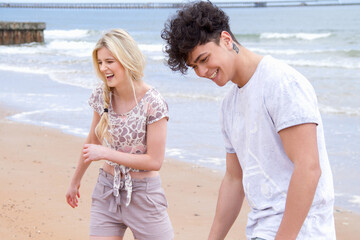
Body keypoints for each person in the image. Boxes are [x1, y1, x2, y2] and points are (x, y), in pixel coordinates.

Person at [161, 2, 335, 240]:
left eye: (204, 59)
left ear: (226, 39)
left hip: (303, 231)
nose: (201, 72)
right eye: (194, 67)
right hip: (260, 230)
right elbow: (234, 179)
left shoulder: (281, 83)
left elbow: (309, 168)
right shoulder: (229, 106)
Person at [66, 29, 174, 240]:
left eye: (109, 61)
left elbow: (154, 161)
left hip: (144, 196)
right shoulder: (101, 94)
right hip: (107, 191)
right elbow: (92, 140)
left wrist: (106, 153)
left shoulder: (154, 102)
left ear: (126, 59)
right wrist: (75, 180)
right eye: (100, 63)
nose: (103, 68)